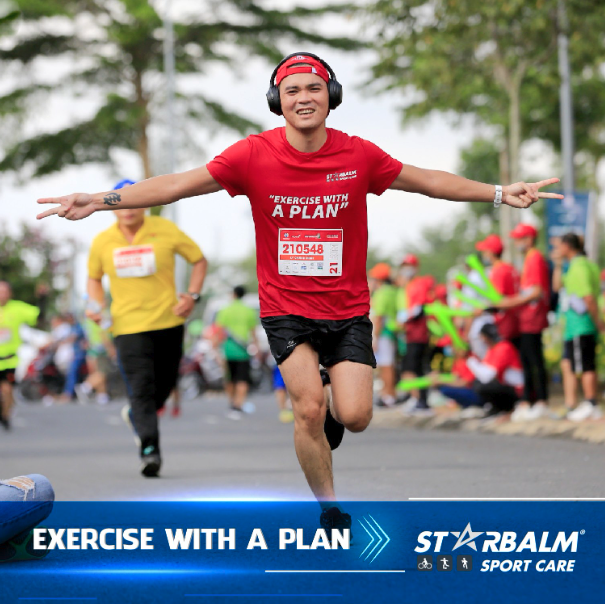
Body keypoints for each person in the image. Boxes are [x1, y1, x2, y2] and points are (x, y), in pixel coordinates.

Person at [36, 51, 562, 530]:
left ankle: (334, 420)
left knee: (353, 416)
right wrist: (99, 200)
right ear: (277, 102)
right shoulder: (251, 156)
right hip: (286, 307)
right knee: (308, 408)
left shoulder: (358, 155)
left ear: (330, 97)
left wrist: (498, 192)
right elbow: (176, 184)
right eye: (292, 91)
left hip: (348, 307)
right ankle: (329, 507)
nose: (303, 98)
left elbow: (424, 180)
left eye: (313, 88)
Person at [83, 179, 208, 477]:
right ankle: (149, 450)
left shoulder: (165, 230)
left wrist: (191, 295)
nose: (127, 208)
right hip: (127, 326)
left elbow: (199, 260)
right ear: (112, 206)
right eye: (120, 201)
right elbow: (93, 278)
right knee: (140, 389)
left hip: (169, 321)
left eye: (134, 200)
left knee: (162, 386)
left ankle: (137, 418)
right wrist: (96, 305)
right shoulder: (103, 240)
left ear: (146, 203)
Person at [495, 224, 551, 421]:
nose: (516, 242)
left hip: (532, 318)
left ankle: (541, 402)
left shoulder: (534, 257)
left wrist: (510, 302)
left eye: (519, 238)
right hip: (526, 318)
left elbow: (536, 291)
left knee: (533, 361)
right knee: (528, 361)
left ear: (529, 239)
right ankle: (531, 401)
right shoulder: (529, 258)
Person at [552, 233, 603, 421]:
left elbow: (588, 298)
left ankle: (591, 404)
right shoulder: (577, 265)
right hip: (576, 327)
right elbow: (557, 287)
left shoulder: (579, 266)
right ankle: (574, 404)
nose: (556, 250)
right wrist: (557, 264)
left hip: (581, 325)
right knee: (571, 364)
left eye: (559, 246)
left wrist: (597, 321)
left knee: (586, 365)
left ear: (568, 246)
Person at [0, 282, 47, 429]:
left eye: (5, 291)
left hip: (9, 360)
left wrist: (42, 298)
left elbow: (39, 318)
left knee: (7, 389)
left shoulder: (17, 308)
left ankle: (5, 416)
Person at [215, 286, 260, 420]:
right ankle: (239, 404)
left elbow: (219, 330)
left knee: (229, 378)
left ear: (233, 294)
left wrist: (216, 348)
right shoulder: (249, 311)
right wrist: (256, 348)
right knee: (242, 379)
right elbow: (253, 332)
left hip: (228, 350)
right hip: (243, 351)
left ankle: (232, 403)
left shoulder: (225, 310)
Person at [396, 256, 433, 414]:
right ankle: (417, 400)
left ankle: (421, 401)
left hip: (419, 333)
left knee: (415, 369)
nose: (406, 269)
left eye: (408, 265)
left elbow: (419, 309)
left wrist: (404, 317)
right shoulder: (408, 285)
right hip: (410, 333)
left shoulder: (419, 284)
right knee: (413, 368)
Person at [466, 323, 524, 418]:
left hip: (516, 390)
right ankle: (497, 408)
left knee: (482, 386)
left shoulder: (504, 347)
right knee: (477, 383)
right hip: (504, 386)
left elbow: (489, 375)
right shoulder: (492, 349)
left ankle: (505, 408)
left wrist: (471, 363)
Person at [474, 234, 520, 343]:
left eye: (484, 251)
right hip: (517, 321)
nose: (483, 254)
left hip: (506, 324)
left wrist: (483, 308)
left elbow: (499, 301)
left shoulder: (498, 271)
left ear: (490, 252)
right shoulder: (510, 267)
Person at [368, 263, 398, 407]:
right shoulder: (391, 290)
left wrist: (375, 338)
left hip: (383, 333)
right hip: (389, 333)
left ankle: (388, 396)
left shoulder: (382, 292)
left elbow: (378, 317)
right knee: (388, 364)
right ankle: (388, 394)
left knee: (386, 365)